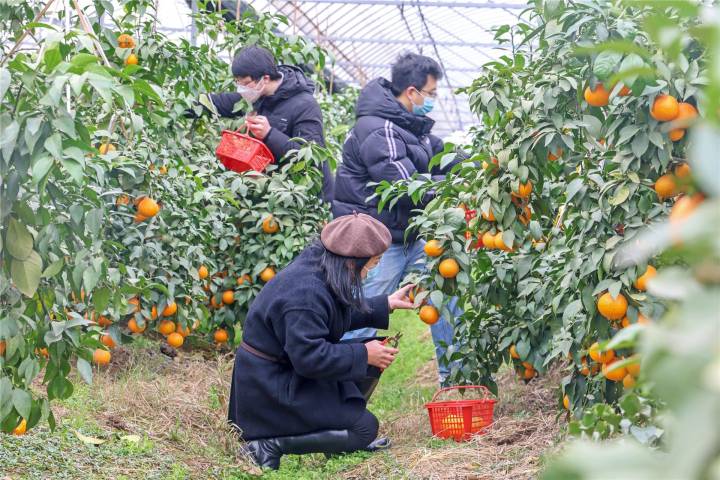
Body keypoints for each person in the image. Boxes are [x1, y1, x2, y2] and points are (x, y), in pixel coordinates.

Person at [228, 213, 415, 470]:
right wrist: (363, 354)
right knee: (364, 428)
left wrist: (386, 304)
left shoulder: (321, 265)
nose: (370, 273)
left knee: (367, 360)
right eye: (371, 265)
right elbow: (310, 358)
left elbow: (329, 315)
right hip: (270, 388)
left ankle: (336, 438)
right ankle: (267, 444)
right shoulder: (304, 293)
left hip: (284, 372)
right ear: (352, 263)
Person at [332, 53, 464, 385]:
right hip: (378, 242)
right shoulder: (377, 128)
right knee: (362, 314)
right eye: (430, 93)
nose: (432, 100)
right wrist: (454, 189)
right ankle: (336, 393)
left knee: (445, 295)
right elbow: (404, 187)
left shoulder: (409, 125)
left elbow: (441, 155)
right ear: (411, 91)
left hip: (407, 234)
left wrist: (478, 164)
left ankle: (457, 380)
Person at [188, 45, 334, 201]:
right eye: (238, 82)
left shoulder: (305, 105)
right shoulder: (257, 94)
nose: (241, 89)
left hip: (305, 200)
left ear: (265, 78)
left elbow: (312, 160)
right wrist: (173, 106)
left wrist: (269, 134)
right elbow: (220, 103)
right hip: (272, 193)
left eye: (245, 83)